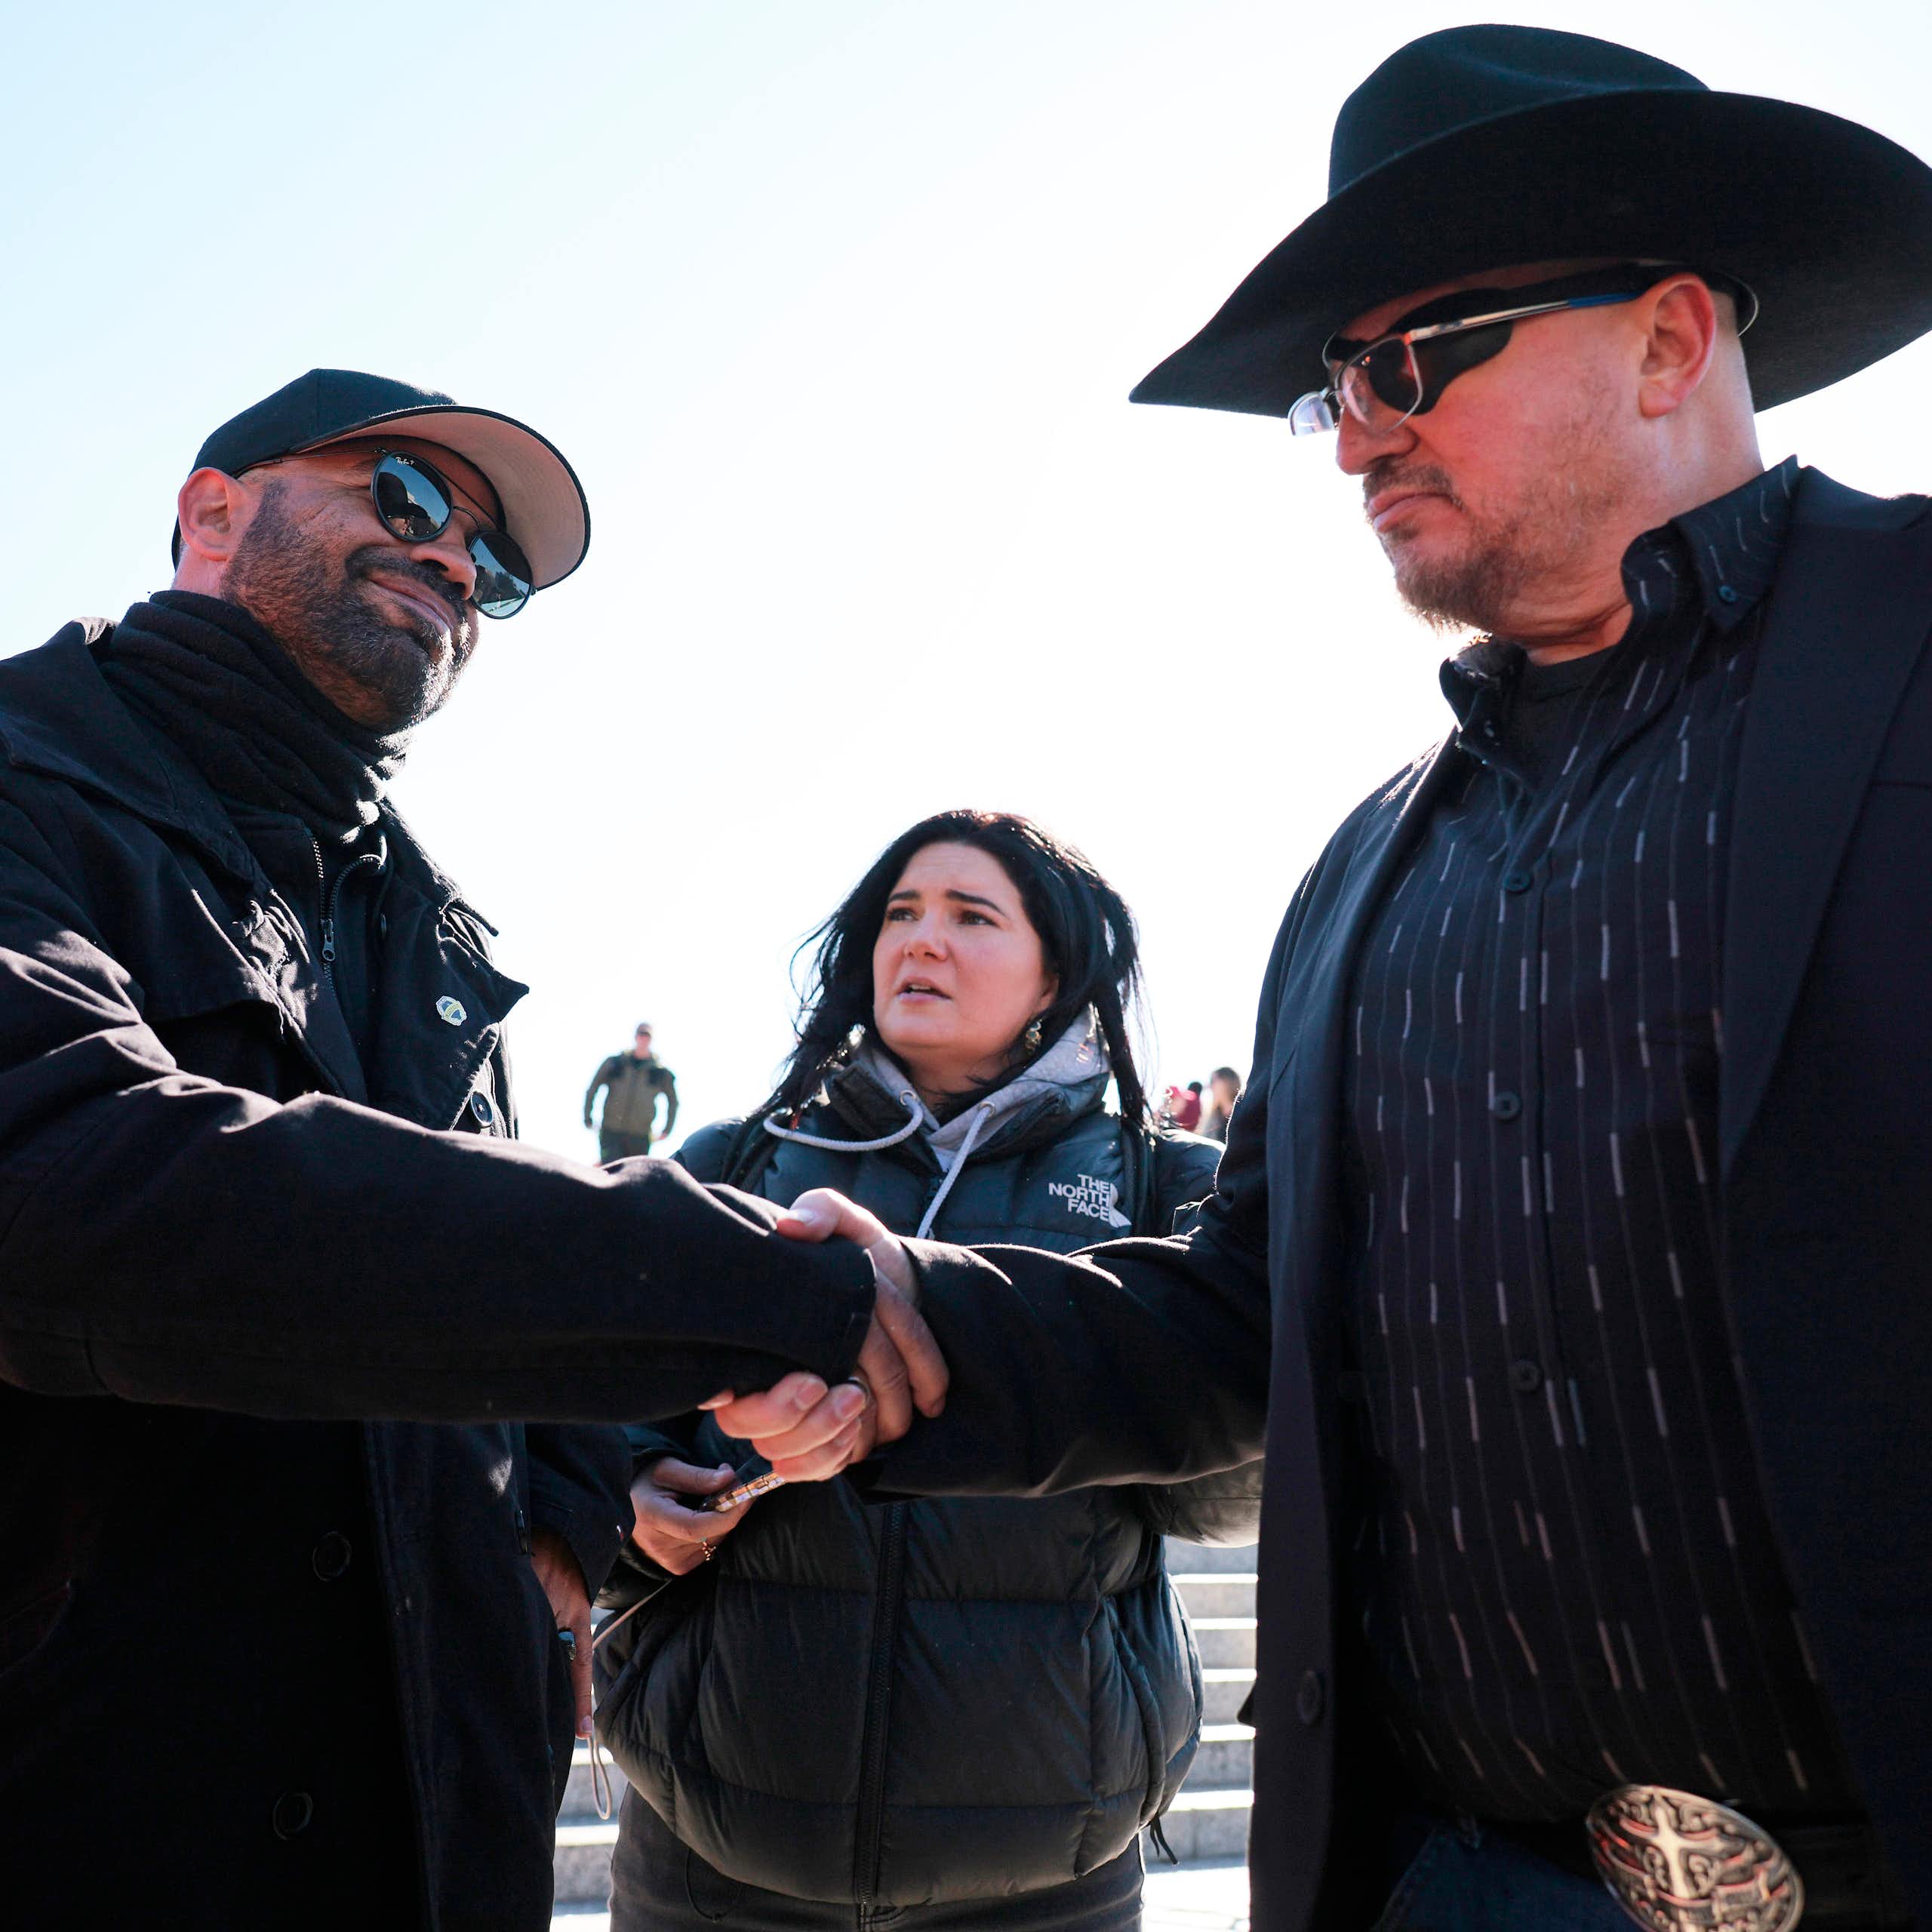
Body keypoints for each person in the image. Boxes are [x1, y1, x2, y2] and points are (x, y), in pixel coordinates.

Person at [721, 28, 1932, 1932]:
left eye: (1410, 357)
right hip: (1452, 1881)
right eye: (1332, 385)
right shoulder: (1359, 871)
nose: (1355, 425)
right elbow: (1227, 1330)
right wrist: (893, 1312)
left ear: (1668, 338)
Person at [0, 368, 943, 1930]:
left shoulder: (434, 930)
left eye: (490, 565)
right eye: (409, 496)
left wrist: (572, 1525)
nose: (452, 561)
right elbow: (72, 1179)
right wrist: (721, 1270)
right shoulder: (25, 780)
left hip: (429, 1835)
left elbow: (485, 1293)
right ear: (210, 508)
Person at [595, 810, 1254, 1931]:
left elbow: (1227, 1493)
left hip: (1050, 1867)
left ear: (1059, 975)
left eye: (971, 915)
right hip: (711, 1856)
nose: (922, 941)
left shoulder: (1169, 1187)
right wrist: (631, 1508)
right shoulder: (731, 1163)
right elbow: (596, 1423)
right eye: (901, 913)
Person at [586, 1021, 679, 1160]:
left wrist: (667, 1129)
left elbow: (673, 1101)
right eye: (641, 1034)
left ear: (651, 1039)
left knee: (634, 1178)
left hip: (640, 1135)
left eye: (647, 1035)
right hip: (611, 1131)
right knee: (609, 1174)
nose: (644, 1039)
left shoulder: (660, 1072)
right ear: (636, 1037)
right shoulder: (615, 1063)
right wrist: (588, 1117)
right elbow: (593, 1088)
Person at [1198, 1067, 1241, 1145]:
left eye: (1212, 1081)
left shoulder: (1243, 1112)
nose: (1210, 1086)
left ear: (1227, 1082)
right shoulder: (1213, 1116)